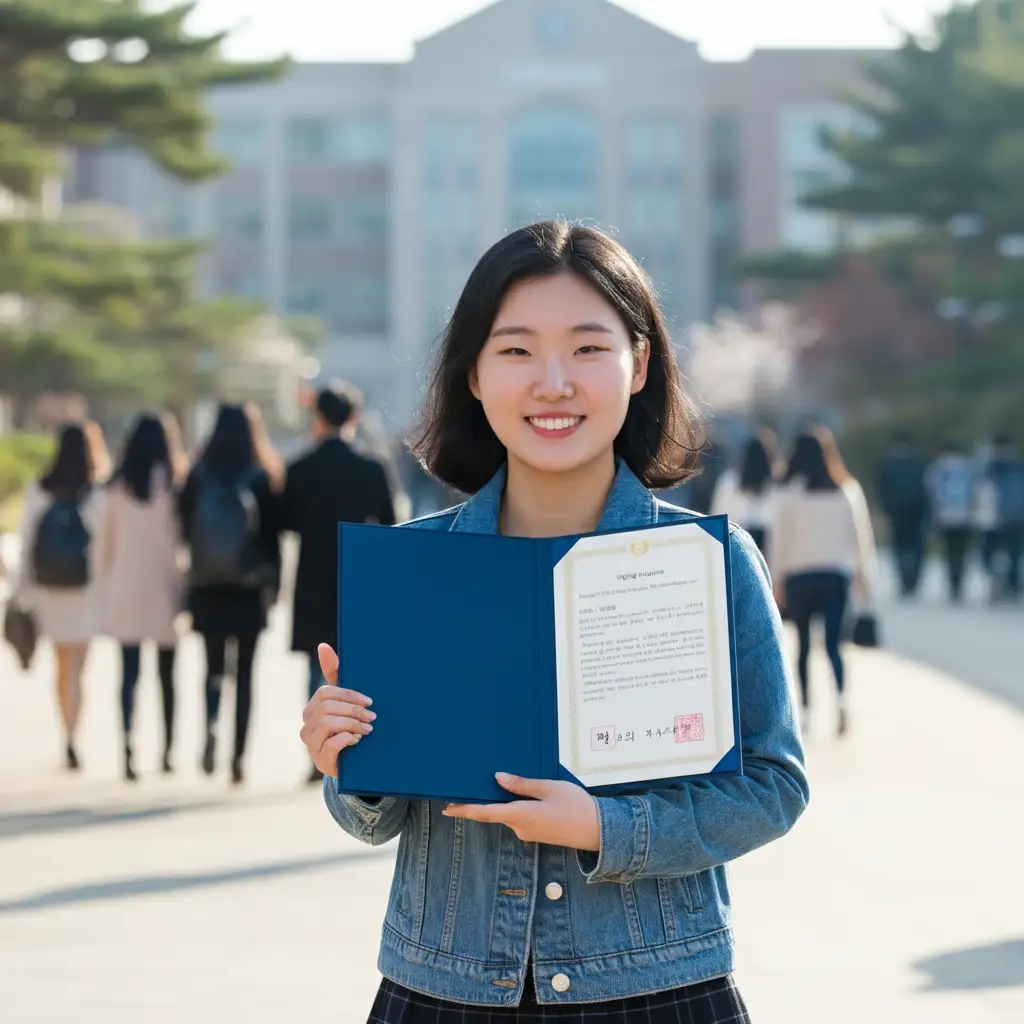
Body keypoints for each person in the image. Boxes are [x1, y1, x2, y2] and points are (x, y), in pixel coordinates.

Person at [300, 221, 808, 1021]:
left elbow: (773, 785)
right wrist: (343, 758)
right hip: (444, 989)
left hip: (657, 989)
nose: (553, 382)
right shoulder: (414, 568)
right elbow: (376, 816)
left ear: (638, 365)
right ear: (473, 373)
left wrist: (610, 827)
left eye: (586, 348)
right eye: (516, 350)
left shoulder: (703, 561)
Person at [279, 383, 400, 783]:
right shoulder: (371, 466)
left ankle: (318, 753)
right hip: (356, 576)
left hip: (312, 575)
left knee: (317, 666)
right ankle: (356, 749)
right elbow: (388, 525)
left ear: (318, 418)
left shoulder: (299, 468)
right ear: (353, 418)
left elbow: (285, 522)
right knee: (355, 664)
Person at [179, 403, 282, 785]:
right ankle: (238, 756)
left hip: (207, 587)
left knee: (211, 668)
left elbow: (186, 528)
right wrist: (274, 589)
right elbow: (273, 539)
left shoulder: (198, 475)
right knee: (245, 675)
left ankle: (210, 727)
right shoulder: (260, 476)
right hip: (249, 589)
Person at [13, 421, 110, 770]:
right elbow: (104, 551)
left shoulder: (40, 489)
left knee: (61, 665)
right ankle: (74, 733)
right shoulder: (97, 493)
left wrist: (19, 590)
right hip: (85, 590)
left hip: (49, 589)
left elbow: (26, 544)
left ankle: (65, 732)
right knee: (79, 668)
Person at [769, 426, 877, 737]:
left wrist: (776, 580)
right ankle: (842, 700)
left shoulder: (787, 494)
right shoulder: (847, 490)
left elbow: (780, 541)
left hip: (800, 577)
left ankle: (803, 711)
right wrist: (865, 577)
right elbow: (861, 537)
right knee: (833, 645)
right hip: (836, 576)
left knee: (802, 646)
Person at [100, 413, 188, 781]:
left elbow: (104, 546)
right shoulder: (173, 485)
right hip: (164, 588)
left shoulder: (116, 486)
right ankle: (167, 750)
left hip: (126, 589)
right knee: (168, 676)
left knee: (129, 674)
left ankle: (127, 748)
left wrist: (107, 587)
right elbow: (181, 543)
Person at [711, 429, 779, 554]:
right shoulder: (776, 486)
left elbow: (717, 516)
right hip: (767, 549)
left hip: (736, 546)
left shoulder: (729, 481)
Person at [877, 433, 929, 598]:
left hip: (895, 512)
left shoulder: (888, 464)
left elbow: (882, 490)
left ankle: (903, 581)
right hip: (917, 511)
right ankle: (913, 580)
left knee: (899, 547)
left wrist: (884, 510)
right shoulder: (919, 463)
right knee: (916, 547)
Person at [925, 441, 976, 602]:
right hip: (965, 517)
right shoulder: (969, 468)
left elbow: (930, 490)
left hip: (944, 517)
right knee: (962, 553)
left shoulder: (938, 469)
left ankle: (952, 584)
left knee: (948, 552)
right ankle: (959, 584)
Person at [988, 434, 1024, 601]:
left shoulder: (993, 466)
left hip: (999, 516)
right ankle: (1012, 586)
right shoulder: (1018, 465)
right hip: (1016, 515)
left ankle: (1002, 584)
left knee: (992, 552)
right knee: (1013, 553)